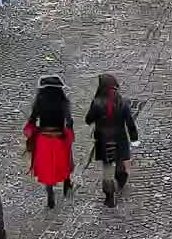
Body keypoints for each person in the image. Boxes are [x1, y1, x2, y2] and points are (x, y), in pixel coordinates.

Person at [85, 73, 139, 208]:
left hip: (104, 140)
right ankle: (121, 176)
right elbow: (130, 122)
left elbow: (88, 120)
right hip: (120, 138)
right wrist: (134, 138)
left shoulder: (97, 103)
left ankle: (109, 196)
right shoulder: (122, 102)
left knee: (107, 167)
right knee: (120, 159)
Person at [23, 74, 76, 208]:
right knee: (65, 161)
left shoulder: (39, 101)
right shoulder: (63, 102)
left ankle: (50, 192)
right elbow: (69, 121)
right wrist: (68, 133)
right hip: (59, 137)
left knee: (47, 167)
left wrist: (32, 132)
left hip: (44, 139)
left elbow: (32, 120)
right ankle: (67, 183)